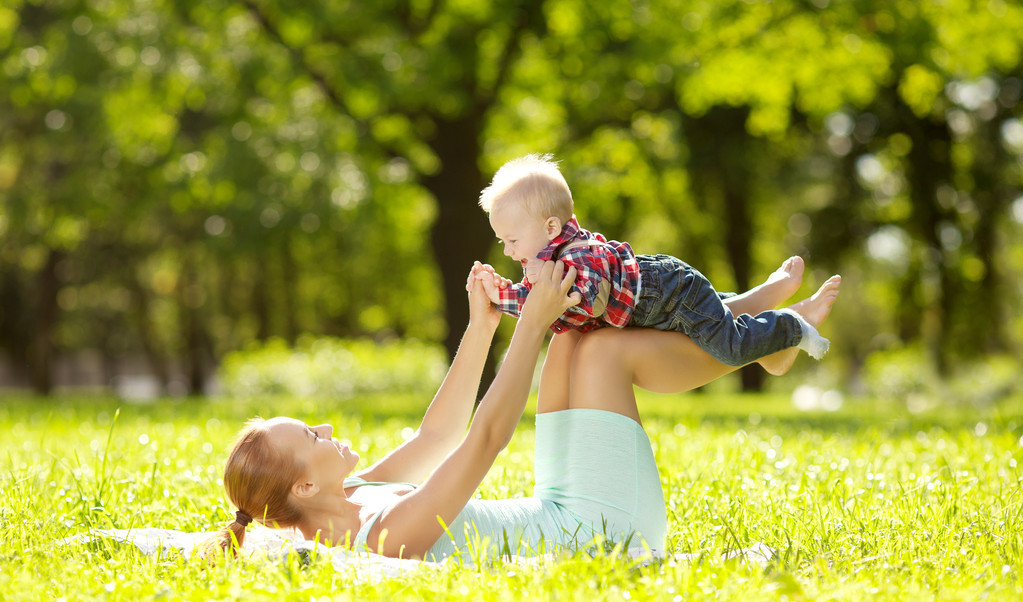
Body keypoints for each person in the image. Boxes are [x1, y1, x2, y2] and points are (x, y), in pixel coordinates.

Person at [198, 258, 840, 563]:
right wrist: (526, 326)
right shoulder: (386, 535)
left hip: (559, 505)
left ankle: (755, 327)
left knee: (577, 339)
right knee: (601, 355)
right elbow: (481, 444)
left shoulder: (358, 494)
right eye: (312, 434)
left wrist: (483, 328)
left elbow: (440, 433)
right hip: (602, 533)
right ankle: (764, 336)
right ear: (305, 484)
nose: (327, 428)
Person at [469, 153, 838, 375]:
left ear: (551, 227)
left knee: (727, 345)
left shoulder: (579, 255)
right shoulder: (545, 256)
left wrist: (539, 284)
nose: (507, 250)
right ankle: (768, 324)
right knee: (710, 325)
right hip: (660, 306)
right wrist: (498, 294)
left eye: (512, 240)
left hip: (674, 293)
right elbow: (535, 305)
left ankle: (792, 325)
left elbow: (587, 301)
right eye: (503, 241)